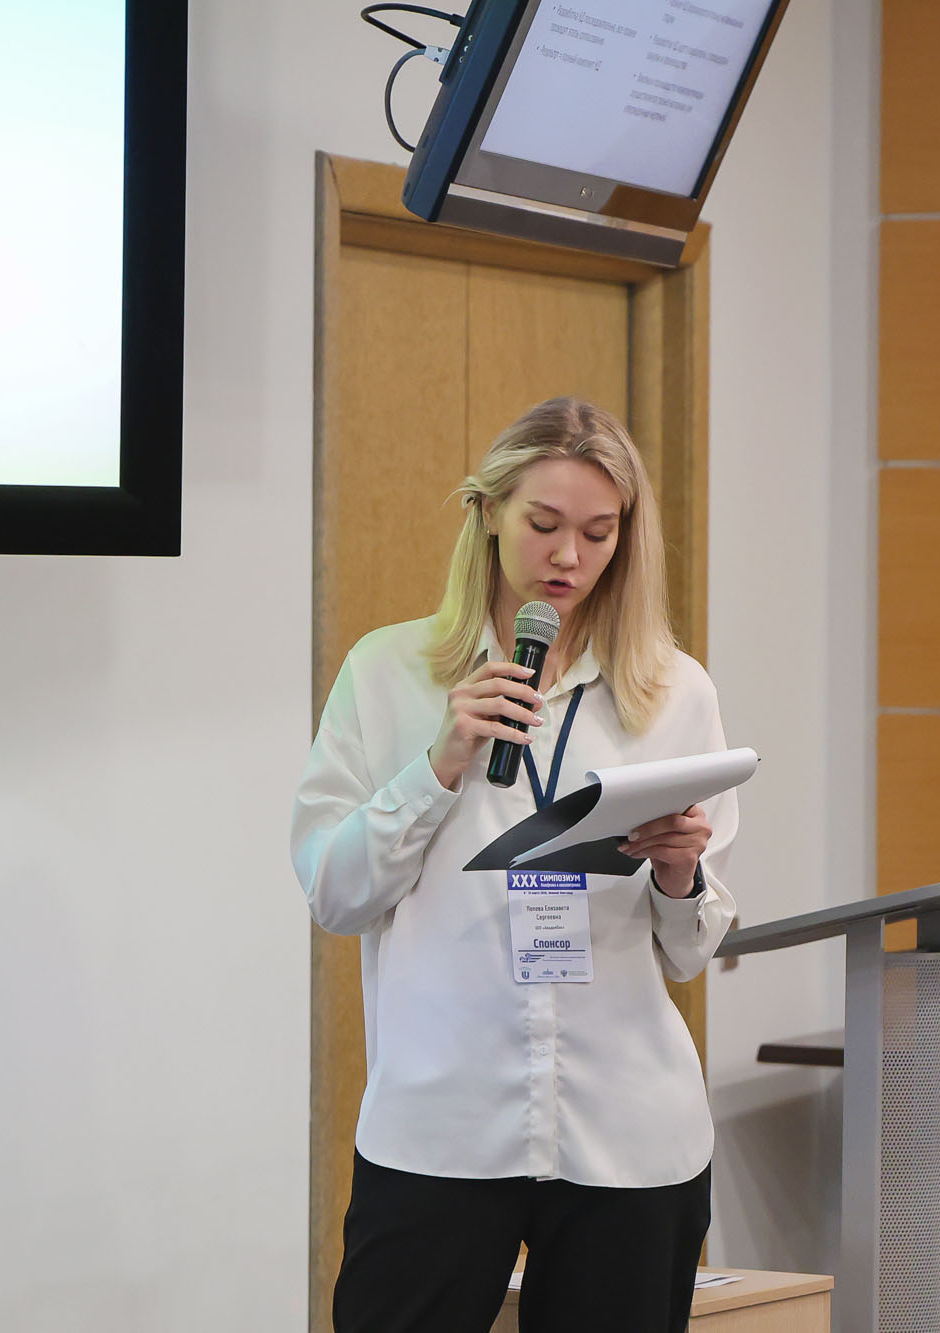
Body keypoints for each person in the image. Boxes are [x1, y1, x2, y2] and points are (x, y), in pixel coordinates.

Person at [290, 396, 738, 1333]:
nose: (567, 556)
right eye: (543, 524)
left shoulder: (673, 692)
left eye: (598, 533)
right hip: (442, 1125)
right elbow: (335, 893)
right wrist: (436, 765)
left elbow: (690, 950)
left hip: (627, 1134)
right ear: (488, 511)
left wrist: (679, 874)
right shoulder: (390, 672)